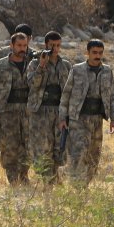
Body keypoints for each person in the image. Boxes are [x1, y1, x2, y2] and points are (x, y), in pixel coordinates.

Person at [59, 40, 114, 186]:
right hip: (78, 118)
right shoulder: (77, 69)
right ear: (88, 53)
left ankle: (84, 185)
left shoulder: (107, 71)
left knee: (94, 155)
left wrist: (113, 118)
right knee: (78, 153)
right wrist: (62, 117)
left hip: (97, 119)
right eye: (94, 53)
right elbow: (66, 94)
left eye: (100, 53)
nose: (97, 56)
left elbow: (112, 95)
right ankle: (76, 187)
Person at [0, 32, 34, 183]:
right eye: (18, 45)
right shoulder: (1, 65)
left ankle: (24, 176)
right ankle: (13, 180)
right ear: (11, 45)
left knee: (27, 146)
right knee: (9, 146)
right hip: (7, 113)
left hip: (27, 112)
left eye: (24, 45)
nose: (22, 49)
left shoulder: (32, 65)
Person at [25, 31, 72, 183]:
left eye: (58, 45)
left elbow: (69, 89)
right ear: (46, 45)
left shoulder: (65, 65)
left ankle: (54, 178)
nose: (56, 49)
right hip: (40, 111)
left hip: (59, 111)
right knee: (42, 146)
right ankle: (47, 181)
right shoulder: (34, 63)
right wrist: (42, 66)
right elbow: (32, 84)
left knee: (59, 147)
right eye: (53, 45)